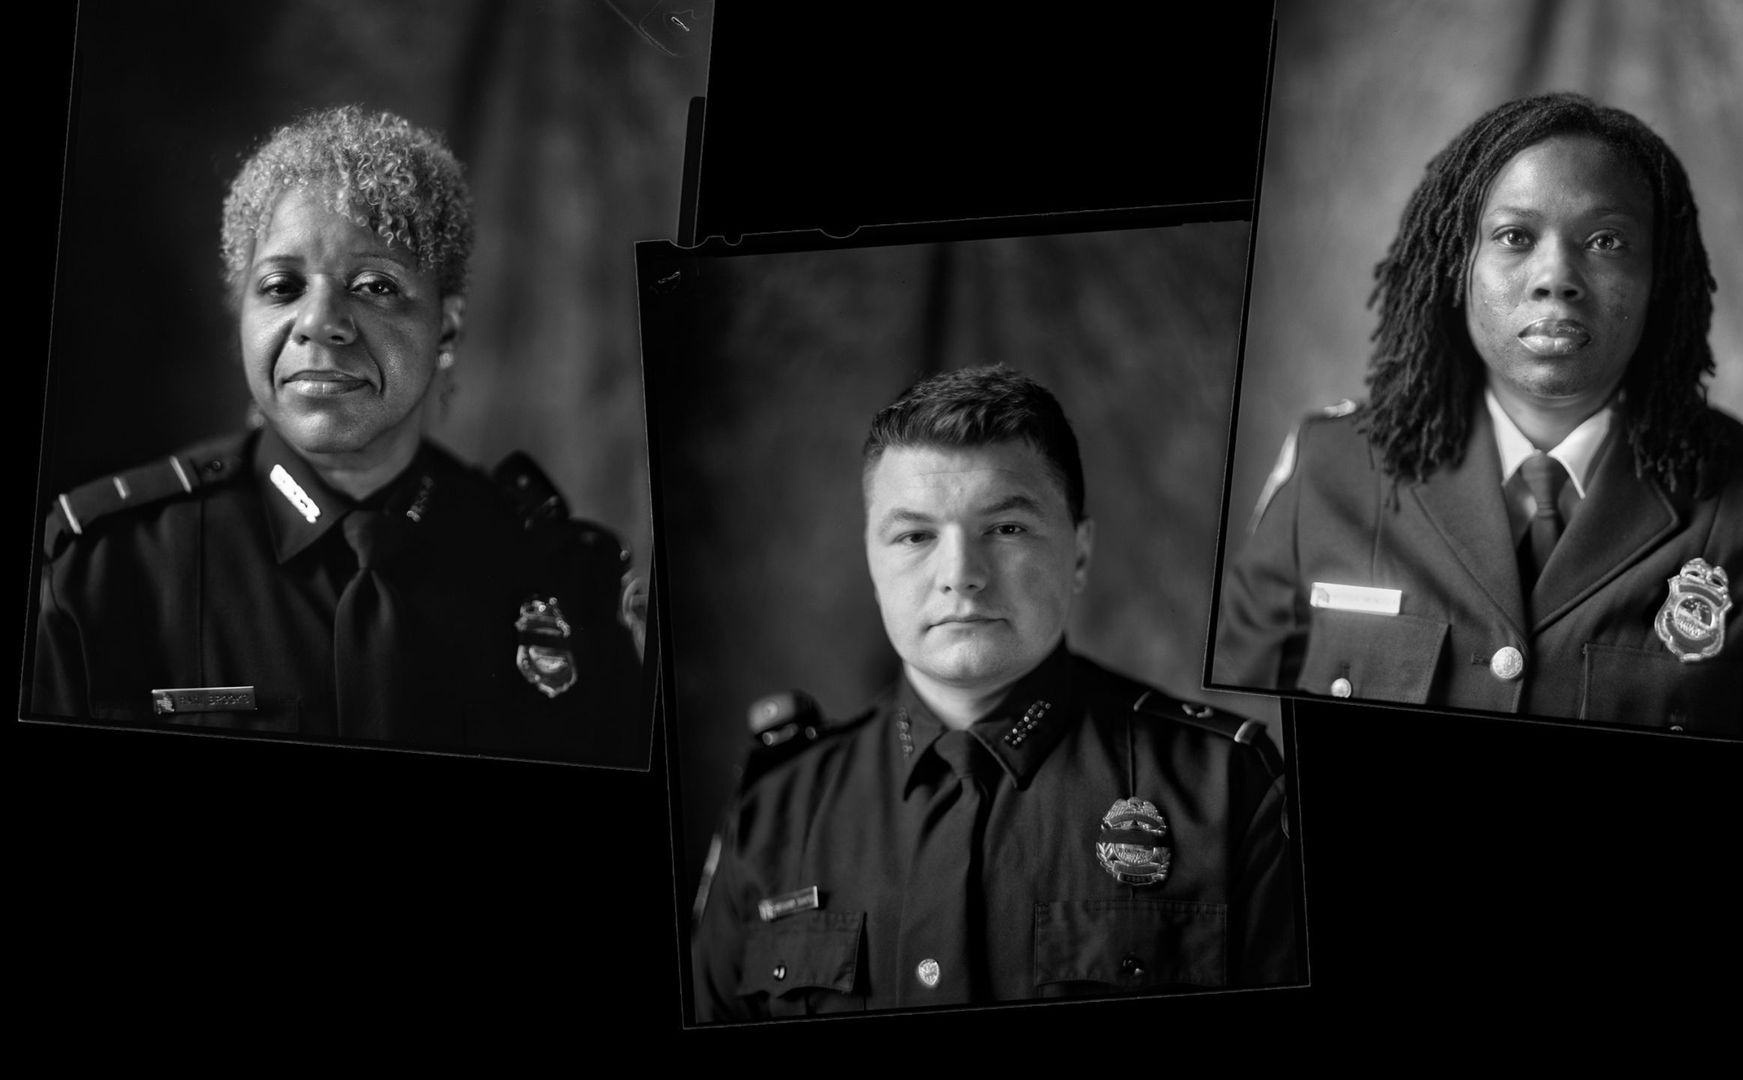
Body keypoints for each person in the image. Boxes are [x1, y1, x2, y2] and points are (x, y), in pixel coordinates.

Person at [30, 105, 649, 767]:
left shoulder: (558, 577)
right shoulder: (106, 572)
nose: (319, 322)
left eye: (376, 285)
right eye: (281, 286)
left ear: (447, 329)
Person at [1213, 92, 1743, 745]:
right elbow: (1252, 756)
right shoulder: (1328, 469)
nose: (1556, 277)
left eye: (1606, 240)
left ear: (1661, 278)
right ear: (1458, 265)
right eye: (1514, 236)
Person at [689, 366, 1301, 1021]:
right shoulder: (774, 814)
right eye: (915, 536)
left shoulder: (1229, 790)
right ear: (872, 560)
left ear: (1081, 554)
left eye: (1006, 528)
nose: (961, 576)